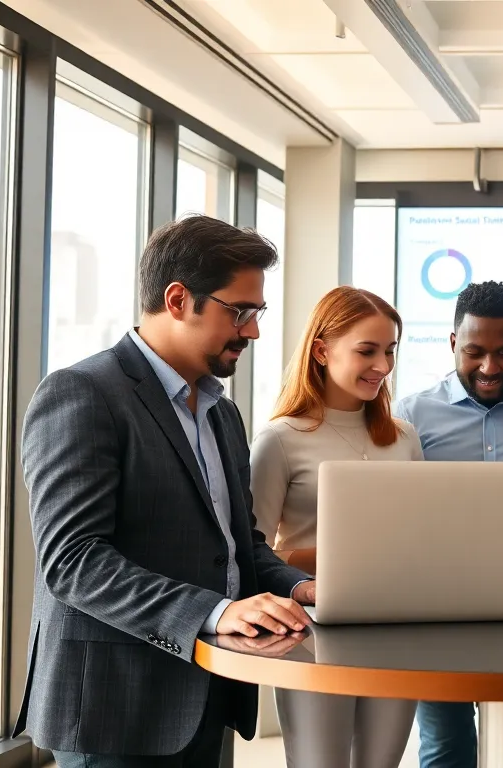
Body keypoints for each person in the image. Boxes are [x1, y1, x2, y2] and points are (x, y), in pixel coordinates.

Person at [16, 215, 315, 768]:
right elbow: (73, 562)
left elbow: (236, 543)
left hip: (209, 689)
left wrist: (304, 589)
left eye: (259, 313)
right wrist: (217, 611)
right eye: (240, 311)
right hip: (113, 709)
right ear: (178, 299)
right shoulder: (82, 393)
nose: (252, 330)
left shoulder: (222, 413)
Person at [394, 280, 503, 768]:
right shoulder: (409, 417)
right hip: (436, 614)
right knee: (447, 750)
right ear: (452, 345)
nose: (490, 368)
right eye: (474, 352)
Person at [251, 286, 420, 768]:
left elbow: (420, 535)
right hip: (312, 632)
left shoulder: (404, 437)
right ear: (322, 350)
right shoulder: (280, 439)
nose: (384, 366)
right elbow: (253, 550)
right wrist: (333, 561)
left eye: (390, 351)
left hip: (395, 628)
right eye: (367, 351)